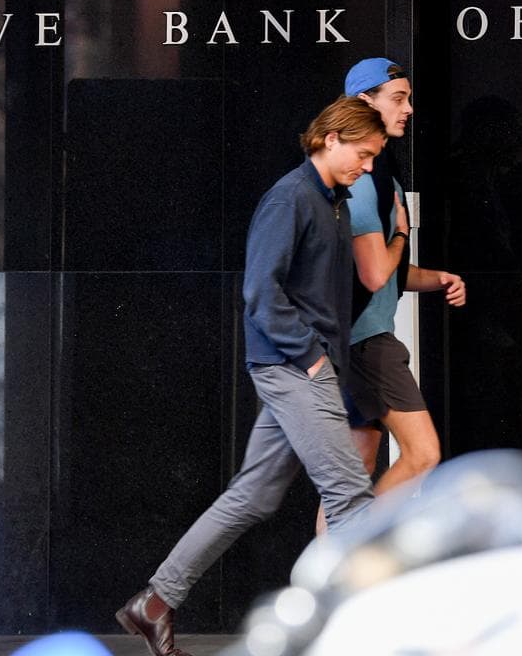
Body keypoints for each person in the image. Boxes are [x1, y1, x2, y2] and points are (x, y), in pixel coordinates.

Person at [116, 97, 388, 656]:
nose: (369, 167)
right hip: (294, 368)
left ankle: (155, 602)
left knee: (254, 497)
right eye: (363, 154)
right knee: (351, 501)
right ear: (330, 138)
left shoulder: (333, 201)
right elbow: (261, 293)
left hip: (307, 367)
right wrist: (312, 359)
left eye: (375, 157)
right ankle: (369, 639)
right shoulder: (289, 198)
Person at [315, 58, 467, 534]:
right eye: (398, 99)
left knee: (353, 477)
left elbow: (390, 275)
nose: (409, 109)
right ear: (365, 102)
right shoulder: (367, 183)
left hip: (357, 341)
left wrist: (437, 277)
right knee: (423, 455)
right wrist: (401, 234)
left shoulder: (376, 175)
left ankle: (326, 579)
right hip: (367, 346)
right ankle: (349, 554)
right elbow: (376, 272)